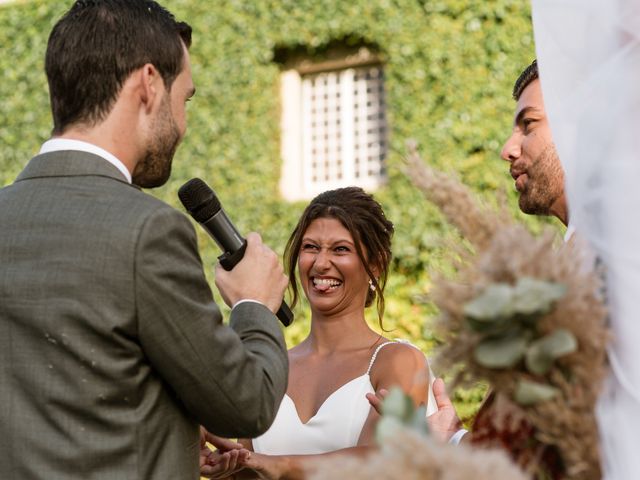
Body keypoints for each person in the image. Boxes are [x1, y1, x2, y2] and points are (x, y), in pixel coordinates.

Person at [0, 1, 289, 479]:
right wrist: (254, 305)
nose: (183, 123)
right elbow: (246, 403)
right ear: (150, 84)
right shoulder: (148, 230)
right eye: (186, 98)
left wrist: (167, 426)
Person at [200, 187, 438, 479]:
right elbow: (251, 465)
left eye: (340, 249)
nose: (321, 263)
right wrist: (229, 466)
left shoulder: (398, 361)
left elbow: (381, 462)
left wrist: (278, 465)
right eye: (311, 247)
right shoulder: (271, 366)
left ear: (374, 265)